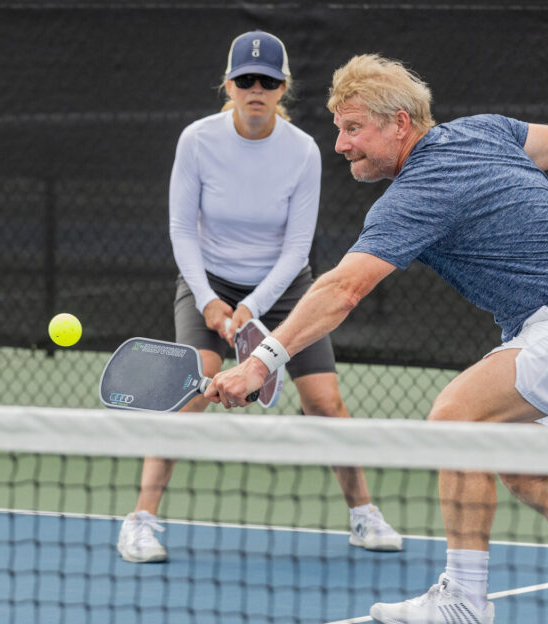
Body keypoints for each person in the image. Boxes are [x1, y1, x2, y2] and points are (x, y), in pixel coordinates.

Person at [205, 54, 548, 624]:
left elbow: (344, 289)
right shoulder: (485, 130)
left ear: (400, 125)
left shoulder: (419, 192)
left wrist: (262, 360)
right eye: (339, 128)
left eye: (354, 128)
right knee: (515, 458)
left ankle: (465, 599)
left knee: (454, 419)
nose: (341, 145)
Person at [116, 34, 403, 563]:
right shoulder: (197, 140)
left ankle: (364, 515)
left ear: (282, 89)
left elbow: (298, 249)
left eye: (268, 81)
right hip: (210, 282)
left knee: (323, 402)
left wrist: (251, 308)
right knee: (190, 391)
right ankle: (140, 520)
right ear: (228, 85)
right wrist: (209, 301)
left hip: (285, 287)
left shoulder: (301, 150)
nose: (256, 89)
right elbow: (182, 230)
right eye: (245, 80)